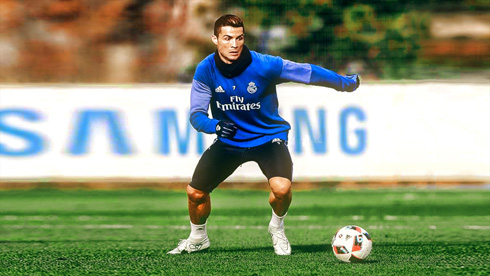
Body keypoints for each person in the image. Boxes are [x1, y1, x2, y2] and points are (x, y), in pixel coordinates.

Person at [168, 14, 360, 256]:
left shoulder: (265, 64)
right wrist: (215, 126)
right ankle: (198, 238)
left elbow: (307, 73)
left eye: (239, 38)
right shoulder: (205, 69)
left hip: (268, 138)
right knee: (195, 193)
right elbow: (196, 115)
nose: (234, 44)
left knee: (281, 189)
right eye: (227, 38)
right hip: (229, 141)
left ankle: (277, 228)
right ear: (215, 39)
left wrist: (344, 83)